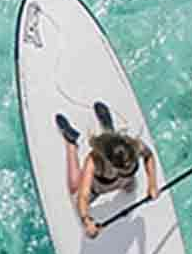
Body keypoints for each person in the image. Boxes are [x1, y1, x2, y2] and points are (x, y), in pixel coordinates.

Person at [55, 101, 158, 238]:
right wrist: (86, 220)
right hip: (98, 188)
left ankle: (108, 128)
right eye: (122, 168)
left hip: (126, 182)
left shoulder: (135, 146)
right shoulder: (93, 161)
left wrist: (152, 183)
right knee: (75, 189)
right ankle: (71, 142)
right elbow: (83, 196)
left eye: (129, 165)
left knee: (130, 188)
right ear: (108, 161)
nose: (127, 167)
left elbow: (149, 156)